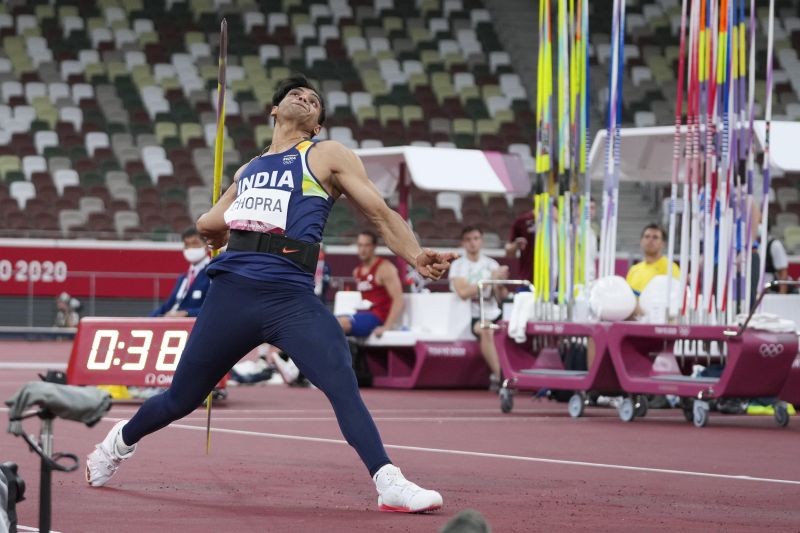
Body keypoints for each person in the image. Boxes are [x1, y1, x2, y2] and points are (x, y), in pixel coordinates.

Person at [86, 74, 456, 514]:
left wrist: (415, 256)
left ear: (316, 124)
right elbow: (208, 224)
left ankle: (388, 481)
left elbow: (378, 212)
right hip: (232, 294)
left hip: (289, 295)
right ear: (274, 111)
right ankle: (118, 442)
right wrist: (218, 219)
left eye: (314, 99)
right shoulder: (248, 170)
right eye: (295, 95)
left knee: (340, 378)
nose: (305, 98)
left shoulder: (325, 154)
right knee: (180, 399)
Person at [450, 226, 508, 390]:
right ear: (463, 243)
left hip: (494, 310)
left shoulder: (492, 264)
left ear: (481, 241)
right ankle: (502, 377)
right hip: (472, 315)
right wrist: (490, 279)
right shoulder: (458, 266)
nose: (472, 243)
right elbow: (463, 292)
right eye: (468, 240)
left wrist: (500, 283)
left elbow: (501, 295)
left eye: (476, 239)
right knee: (487, 329)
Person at [337, 230, 405, 338]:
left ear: (374, 247)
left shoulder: (384, 268)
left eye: (366, 245)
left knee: (340, 324)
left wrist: (387, 327)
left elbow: (398, 299)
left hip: (378, 317)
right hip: (362, 315)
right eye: (360, 245)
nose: (362, 250)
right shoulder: (357, 271)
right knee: (328, 320)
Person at [150, 227, 211, 317]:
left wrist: (186, 313)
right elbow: (168, 305)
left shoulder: (212, 274)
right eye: (187, 244)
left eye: (195, 243)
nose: (191, 248)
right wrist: (147, 319)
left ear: (206, 246)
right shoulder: (183, 278)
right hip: (174, 325)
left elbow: (212, 309)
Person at [626, 223, 679, 297]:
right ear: (641, 241)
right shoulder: (633, 270)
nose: (650, 240)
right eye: (647, 237)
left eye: (655, 237)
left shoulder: (670, 268)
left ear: (663, 243)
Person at [505, 207, 535, 282]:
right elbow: (509, 252)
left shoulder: (562, 219)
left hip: (558, 282)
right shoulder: (523, 220)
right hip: (528, 280)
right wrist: (516, 245)